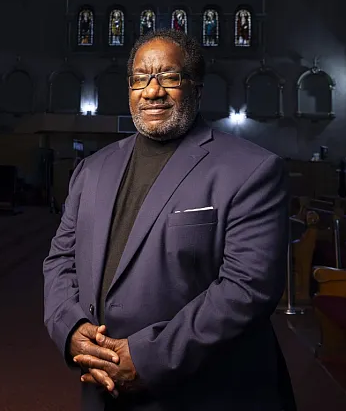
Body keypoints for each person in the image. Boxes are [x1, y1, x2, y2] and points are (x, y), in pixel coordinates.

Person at [43, 29, 296, 410]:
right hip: (103, 387)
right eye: (140, 78)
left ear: (196, 87)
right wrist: (71, 330)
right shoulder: (91, 170)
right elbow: (60, 260)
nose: (152, 91)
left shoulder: (252, 169)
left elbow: (248, 288)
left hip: (204, 391)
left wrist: (148, 358)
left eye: (169, 77)